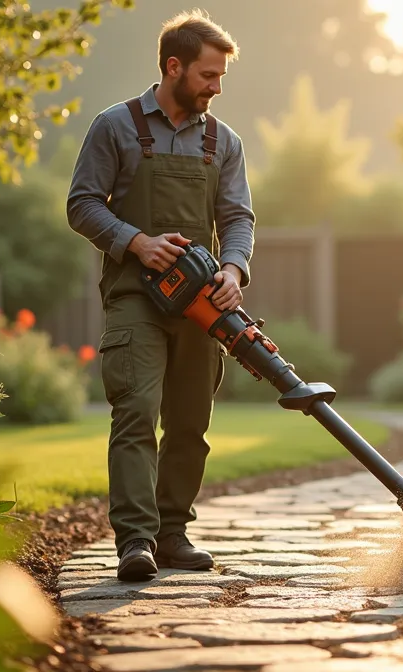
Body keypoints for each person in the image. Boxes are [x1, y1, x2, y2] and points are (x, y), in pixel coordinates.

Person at [65, 10, 254, 581]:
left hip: (203, 305)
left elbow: (238, 217)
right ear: (173, 67)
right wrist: (135, 242)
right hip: (135, 299)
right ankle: (135, 541)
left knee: (191, 422)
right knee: (137, 413)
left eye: (221, 76)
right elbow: (81, 204)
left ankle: (173, 534)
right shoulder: (114, 127)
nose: (216, 87)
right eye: (208, 75)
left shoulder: (224, 141)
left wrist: (234, 270)